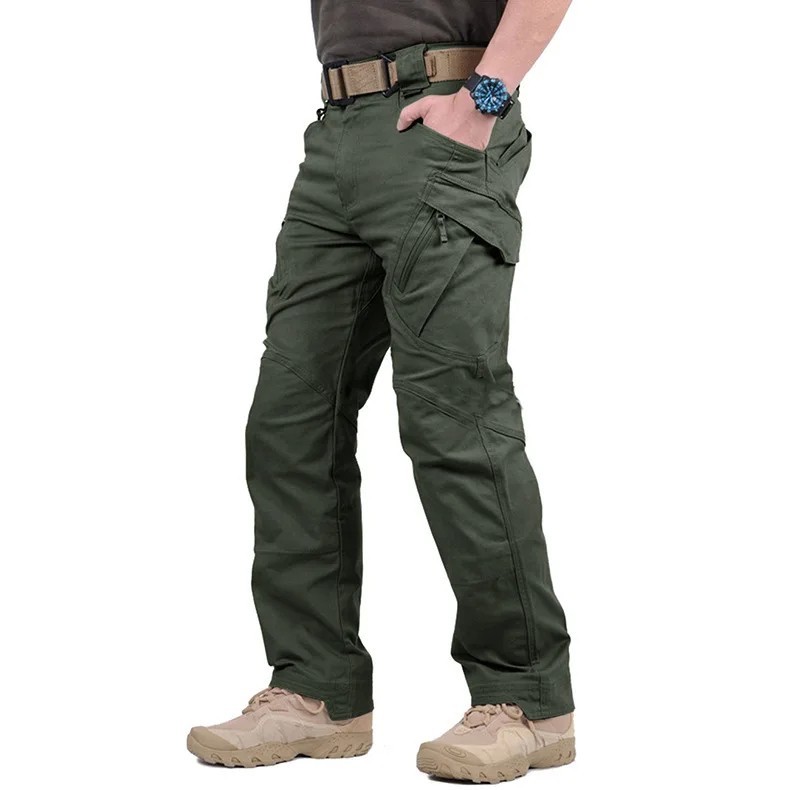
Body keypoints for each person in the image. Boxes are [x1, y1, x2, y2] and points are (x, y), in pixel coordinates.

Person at [187, 0, 575, 782]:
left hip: (446, 116)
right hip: (335, 131)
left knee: (454, 420)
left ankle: (527, 699)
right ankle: (316, 689)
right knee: (289, 420)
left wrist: (484, 100)